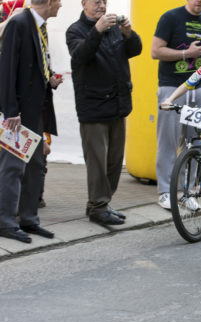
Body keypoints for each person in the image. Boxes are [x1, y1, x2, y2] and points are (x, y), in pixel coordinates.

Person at [66, 0, 142, 226]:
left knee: (114, 162)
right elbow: (80, 57)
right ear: (84, 4)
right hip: (93, 107)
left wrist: (129, 33)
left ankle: (100, 203)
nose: (102, 6)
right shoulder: (75, 30)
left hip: (118, 105)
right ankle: (98, 207)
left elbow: (135, 50)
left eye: (104, 2)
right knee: (97, 162)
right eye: (96, 2)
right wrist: (97, 30)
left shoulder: (114, 28)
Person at [0, 0, 62, 243]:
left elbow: (35, 63)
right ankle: (5, 221)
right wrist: (11, 111)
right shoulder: (19, 23)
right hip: (19, 113)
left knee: (36, 165)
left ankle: (28, 218)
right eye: (58, 1)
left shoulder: (38, 26)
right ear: (49, 2)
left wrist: (49, 79)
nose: (61, 5)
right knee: (13, 167)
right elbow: (6, 69)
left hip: (36, 110)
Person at [151, 0, 201, 210]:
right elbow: (155, 51)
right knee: (168, 141)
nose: (200, 1)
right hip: (172, 87)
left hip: (199, 89)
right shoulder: (170, 17)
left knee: (196, 142)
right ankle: (165, 191)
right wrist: (186, 54)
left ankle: (187, 191)